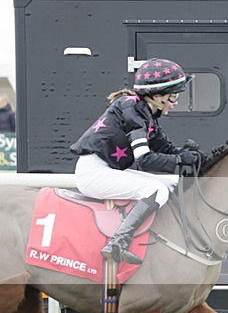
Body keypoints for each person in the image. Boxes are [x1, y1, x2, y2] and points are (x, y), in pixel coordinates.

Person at [70, 58, 200, 264]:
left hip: (108, 169)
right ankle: (118, 242)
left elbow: (166, 149)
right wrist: (179, 158)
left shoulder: (146, 114)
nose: (175, 102)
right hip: (94, 173)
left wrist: (186, 153)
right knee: (157, 190)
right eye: (174, 96)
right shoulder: (133, 110)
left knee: (175, 182)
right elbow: (145, 161)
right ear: (157, 96)